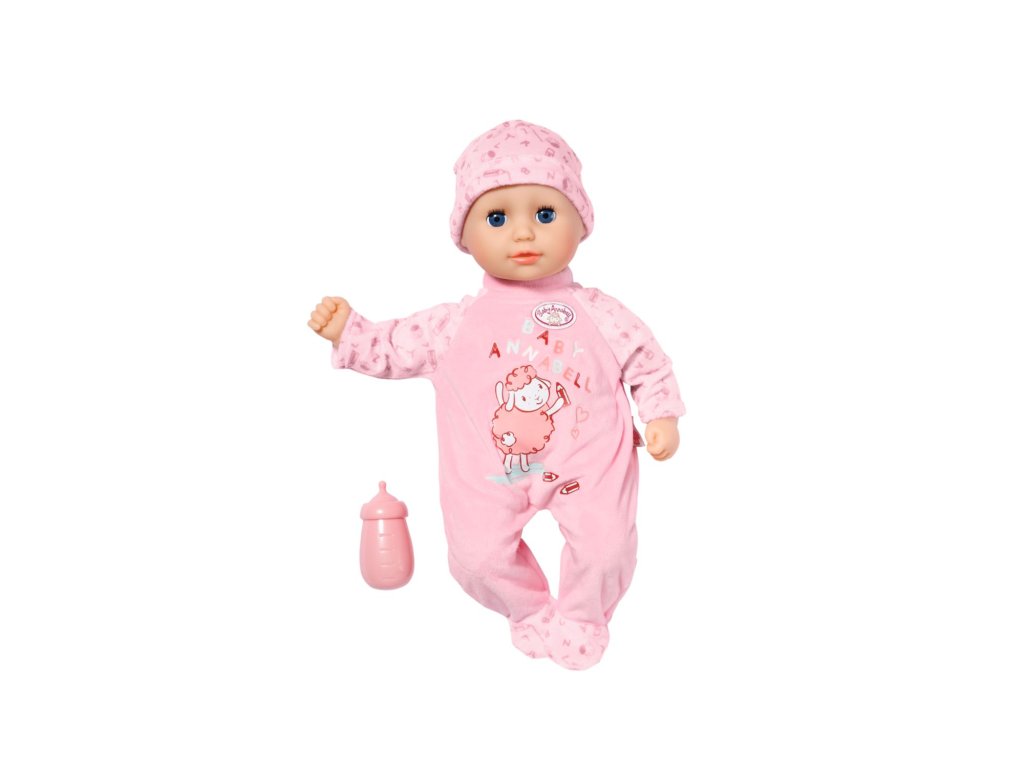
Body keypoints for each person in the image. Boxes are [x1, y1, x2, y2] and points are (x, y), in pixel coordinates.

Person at [308, 120, 685, 669]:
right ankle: (530, 611)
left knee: (606, 546)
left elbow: (647, 360)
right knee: (476, 559)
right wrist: (350, 332)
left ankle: (583, 617)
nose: (524, 234)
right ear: (465, 236)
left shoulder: (601, 313)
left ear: (581, 224)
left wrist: (661, 415)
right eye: (498, 218)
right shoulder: (451, 326)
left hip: (588, 464)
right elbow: (393, 346)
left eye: (546, 214)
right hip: (489, 473)